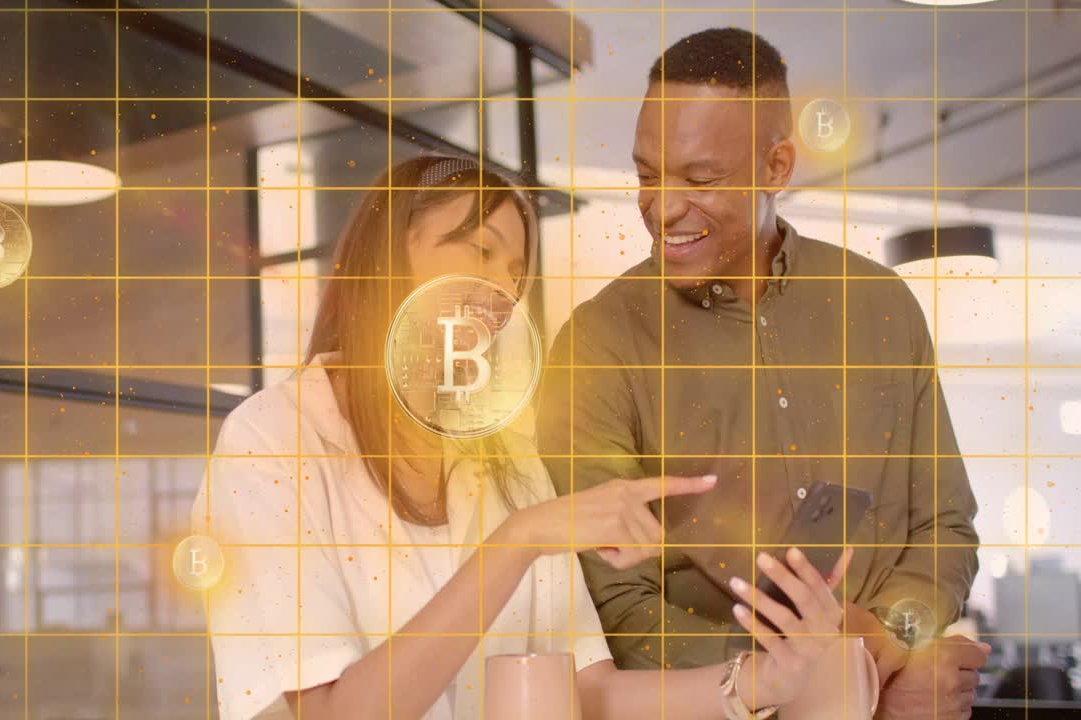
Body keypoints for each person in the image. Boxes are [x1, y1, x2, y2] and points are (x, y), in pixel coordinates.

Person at [194, 154, 851, 720]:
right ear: (386, 254)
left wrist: (755, 683)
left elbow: (584, 692)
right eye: (478, 249)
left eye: (515, 268)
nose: (504, 286)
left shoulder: (503, 460)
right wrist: (516, 541)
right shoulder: (272, 439)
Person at [536, 27, 989, 720]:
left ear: (777, 166)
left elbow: (945, 528)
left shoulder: (881, 305)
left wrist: (888, 643)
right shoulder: (598, 343)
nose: (662, 208)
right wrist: (840, 682)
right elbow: (614, 608)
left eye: (700, 177)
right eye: (648, 175)